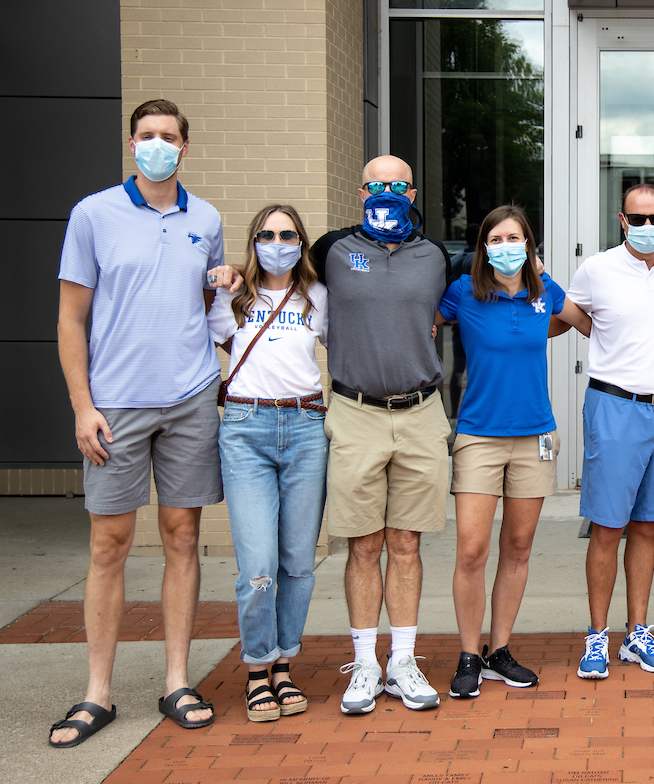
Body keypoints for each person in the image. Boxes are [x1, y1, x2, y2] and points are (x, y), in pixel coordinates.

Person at [212, 156, 452, 713]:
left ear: (412, 191)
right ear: (360, 189)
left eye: (397, 184)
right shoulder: (332, 249)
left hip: (420, 410)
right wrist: (233, 273)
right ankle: (365, 664)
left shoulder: (436, 255)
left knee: (407, 543)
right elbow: (279, 274)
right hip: (354, 410)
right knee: (364, 544)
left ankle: (404, 662)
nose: (386, 192)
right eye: (376, 184)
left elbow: (489, 286)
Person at [52, 99, 222, 747]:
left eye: (169, 137)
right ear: (132, 145)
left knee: (182, 538)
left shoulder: (203, 218)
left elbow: (206, 303)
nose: (158, 145)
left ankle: (177, 678)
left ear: (185, 147)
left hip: (188, 398)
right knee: (109, 545)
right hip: (115, 405)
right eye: (147, 136)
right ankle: (97, 691)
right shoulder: (93, 214)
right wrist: (82, 406)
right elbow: (71, 318)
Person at [435, 205, 590, 697]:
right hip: (479, 436)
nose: (505, 246)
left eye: (515, 238)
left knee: (518, 549)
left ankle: (498, 650)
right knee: (472, 551)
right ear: (483, 246)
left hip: (535, 437)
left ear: (529, 244)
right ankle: (467, 654)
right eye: (495, 238)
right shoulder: (463, 294)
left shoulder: (542, 295)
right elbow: (421, 323)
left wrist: (541, 274)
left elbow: (580, 323)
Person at [563, 184, 654, 680]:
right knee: (608, 527)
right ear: (622, 220)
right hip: (615, 406)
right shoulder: (597, 268)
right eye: (636, 219)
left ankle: (637, 632)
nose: (647, 227)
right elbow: (569, 312)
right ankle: (597, 637)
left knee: (647, 526)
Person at [206, 205, 328, 722]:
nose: (277, 242)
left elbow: (349, 348)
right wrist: (219, 280)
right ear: (252, 239)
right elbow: (201, 343)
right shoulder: (232, 296)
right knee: (258, 565)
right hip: (245, 430)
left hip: (305, 429)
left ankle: (284, 664)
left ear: (301, 242)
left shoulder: (317, 297)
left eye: (288, 234)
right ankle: (257, 666)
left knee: (298, 561)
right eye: (267, 234)